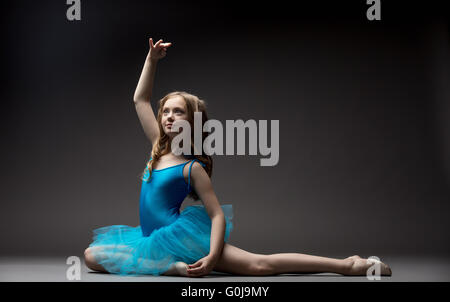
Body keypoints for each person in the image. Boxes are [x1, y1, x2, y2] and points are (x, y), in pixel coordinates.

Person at [84, 38, 392, 278]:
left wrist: (213, 256)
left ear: (191, 122)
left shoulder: (192, 168)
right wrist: (152, 60)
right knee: (92, 256)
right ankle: (170, 268)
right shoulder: (159, 147)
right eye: (166, 111)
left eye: (178, 111)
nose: (168, 116)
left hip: (182, 239)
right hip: (149, 240)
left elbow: (217, 215)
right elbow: (141, 99)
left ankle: (349, 265)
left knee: (260, 266)